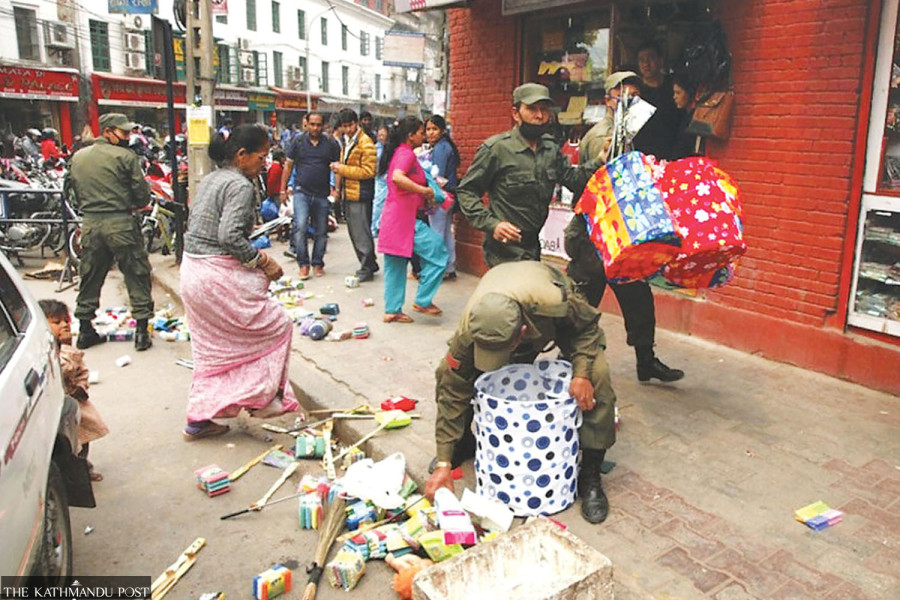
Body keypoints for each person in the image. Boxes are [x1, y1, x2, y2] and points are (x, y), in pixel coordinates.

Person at [424, 261, 616, 523]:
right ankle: (464, 444)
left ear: (522, 334)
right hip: (505, 299)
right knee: (452, 373)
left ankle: (590, 473)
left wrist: (581, 374)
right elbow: (452, 389)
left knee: (599, 378)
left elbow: (588, 328)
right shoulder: (472, 326)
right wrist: (444, 462)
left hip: (559, 319)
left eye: (502, 350)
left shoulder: (555, 302)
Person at [181, 124, 299, 440]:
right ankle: (262, 399)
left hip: (192, 271)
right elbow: (229, 235)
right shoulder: (240, 185)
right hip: (213, 274)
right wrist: (264, 261)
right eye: (261, 158)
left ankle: (199, 417)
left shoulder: (212, 179)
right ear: (242, 155)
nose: (265, 164)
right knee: (277, 325)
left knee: (214, 351)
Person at [565, 71, 685, 383]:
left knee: (639, 302)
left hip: (622, 235)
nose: (631, 104)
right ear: (609, 101)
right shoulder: (599, 137)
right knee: (580, 307)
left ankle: (646, 361)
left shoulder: (628, 136)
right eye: (625, 98)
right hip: (593, 237)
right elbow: (591, 187)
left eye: (635, 98)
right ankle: (568, 365)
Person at [456, 83, 602, 267]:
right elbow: (466, 191)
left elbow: (572, 178)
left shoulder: (550, 149)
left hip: (532, 246)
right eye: (532, 109)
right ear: (516, 113)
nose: (539, 116)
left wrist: (601, 159)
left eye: (544, 110)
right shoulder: (497, 149)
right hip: (503, 249)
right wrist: (492, 225)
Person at [70, 113, 153, 352]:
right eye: (123, 133)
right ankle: (141, 332)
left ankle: (85, 329)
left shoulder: (78, 157)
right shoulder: (126, 157)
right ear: (108, 131)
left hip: (91, 224)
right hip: (121, 223)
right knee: (136, 273)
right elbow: (142, 195)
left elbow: (71, 190)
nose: (128, 137)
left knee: (90, 274)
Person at [377, 116, 450, 323]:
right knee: (439, 253)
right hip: (405, 219)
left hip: (394, 217)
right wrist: (424, 190)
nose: (424, 135)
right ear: (410, 136)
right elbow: (397, 178)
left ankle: (392, 310)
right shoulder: (406, 154)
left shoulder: (400, 152)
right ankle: (423, 300)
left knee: (396, 264)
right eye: (421, 132)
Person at [39, 299, 109, 482]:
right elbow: (65, 368)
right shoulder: (46, 350)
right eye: (56, 322)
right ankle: (71, 474)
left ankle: (83, 466)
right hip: (55, 405)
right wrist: (67, 347)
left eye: (65, 321)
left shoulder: (65, 347)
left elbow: (80, 370)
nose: (64, 325)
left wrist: (82, 385)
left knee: (84, 438)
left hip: (75, 400)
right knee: (68, 443)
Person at [280, 112, 339, 278]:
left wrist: (336, 189)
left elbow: (336, 168)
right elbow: (288, 166)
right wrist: (283, 190)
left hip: (322, 194)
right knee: (300, 227)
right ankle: (303, 264)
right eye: (312, 124)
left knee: (321, 231)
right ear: (306, 124)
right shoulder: (297, 141)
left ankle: (318, 263)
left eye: (318, 125)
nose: (315, 128)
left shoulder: (330, 143)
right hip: (301, 192)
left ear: (323, 126)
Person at [331, 108, 379, 281]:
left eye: (350, 125)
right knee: (355, 230)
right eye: (344, 126)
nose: (348, 129)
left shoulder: (365, 143)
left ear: (357, 123)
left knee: (360, 231)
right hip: (350, 192)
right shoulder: (348, 140)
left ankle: (367, 266)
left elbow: (368, 171)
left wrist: (341, 169)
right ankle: (369, 263)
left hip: (361, 193)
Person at [424, 115, 460, 281]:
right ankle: (449, 267)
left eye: (434, 129)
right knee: (445, 232)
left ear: (442, 130)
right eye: (428, 129)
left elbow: (437, 175)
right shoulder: (445, 147)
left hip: (440, 196)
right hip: (449, 196)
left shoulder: (440, 148)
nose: (430, 133)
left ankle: (438, 268)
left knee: (437, 234)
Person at [579, 71, 643, 163]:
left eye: (634, 95)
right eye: (622, 96)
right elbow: (602, 174)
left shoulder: (629, 129)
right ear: (608, 100)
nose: (630, 101)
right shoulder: (602, 137)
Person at [632, 40, 681, 160]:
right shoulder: (636, 91)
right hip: (644, 155)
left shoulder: (673, 86)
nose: (646, 64)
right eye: (641, 60)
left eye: (651, 59)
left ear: (660, 60)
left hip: (672, 150)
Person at [671, 72, 704, 159]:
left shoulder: (696, 119)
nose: (675, 97)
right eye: (674, 93)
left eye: (678, 93)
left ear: (689, 93)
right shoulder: (684, 116)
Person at [371, 124, 390, 237]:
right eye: (379, 134)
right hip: (379, 179)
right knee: (377, 204)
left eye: (383, 134)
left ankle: (381, 226)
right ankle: (374, 227)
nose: (381, 136)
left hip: (387, 179)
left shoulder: (389, 148)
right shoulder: (375, 148)